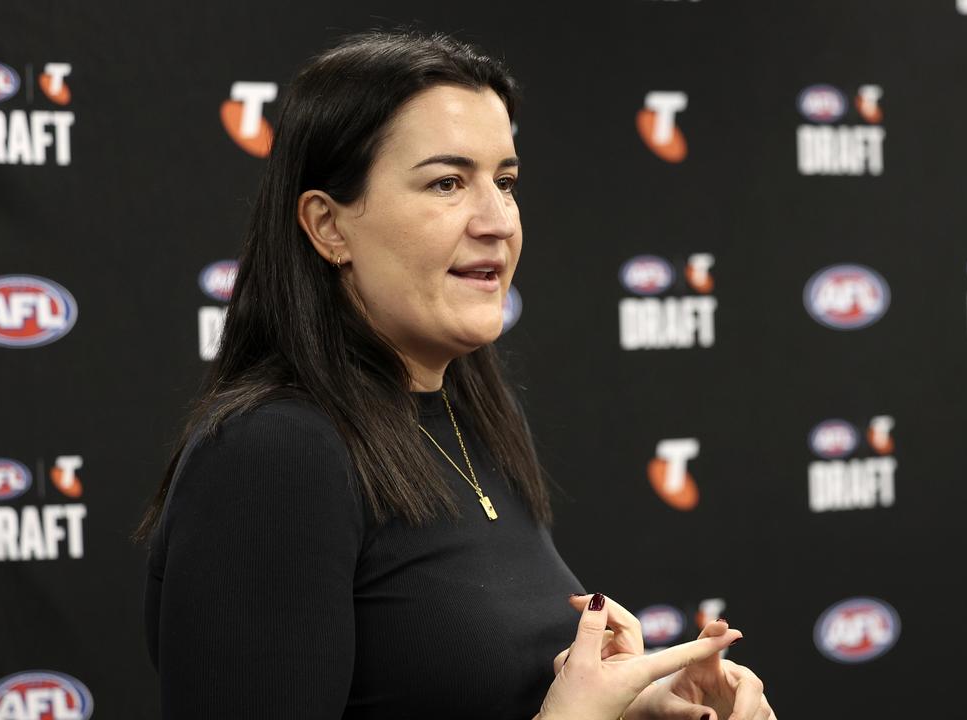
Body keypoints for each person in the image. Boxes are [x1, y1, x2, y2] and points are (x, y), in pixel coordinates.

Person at [135, 29, 776, 719]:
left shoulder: (476, 417)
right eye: (447, 182)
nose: (497, 220)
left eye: (505, 182)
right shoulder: (274, 455)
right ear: (328, 227)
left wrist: (637, 708)